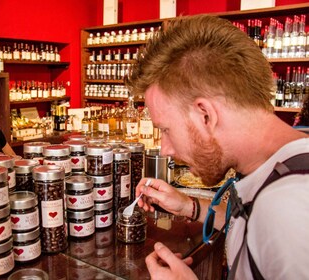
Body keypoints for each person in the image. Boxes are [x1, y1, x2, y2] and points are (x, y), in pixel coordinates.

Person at [127, 15, 309, 279]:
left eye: (166, 130)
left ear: (206, 116)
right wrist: (188, 206)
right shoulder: (276, 162)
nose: (165, 149)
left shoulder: (286, 209)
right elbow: (252, 227)